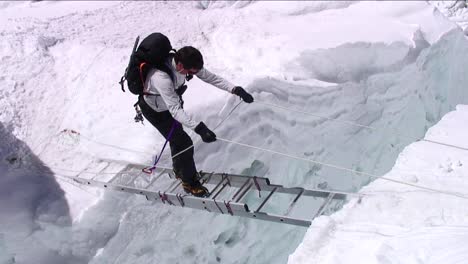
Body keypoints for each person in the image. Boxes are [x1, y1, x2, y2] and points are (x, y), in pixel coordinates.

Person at [138, 46, 254, 197]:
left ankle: (179, 170)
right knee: (184, 142)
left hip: (169, 104)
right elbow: (175, 111)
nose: (193, 74)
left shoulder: (186, 64)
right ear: (180, 65)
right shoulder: (161, 78)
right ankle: (190, 183)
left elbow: (212, 78)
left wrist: (235, 89)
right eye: (191, 72)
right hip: (155, 111)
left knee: (177, 139)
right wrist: (198, 128)